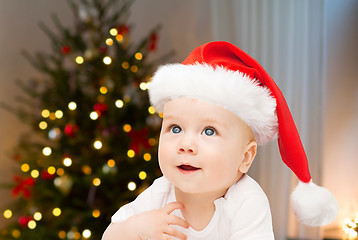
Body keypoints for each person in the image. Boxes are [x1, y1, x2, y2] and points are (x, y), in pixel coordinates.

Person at [102, 41, 338, 240]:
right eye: (175, 128)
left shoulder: (247, 201)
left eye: (209, 131)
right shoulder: (160, 192)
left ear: (245, 158)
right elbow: (109, 236)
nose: (186, 144)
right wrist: (136, 229)